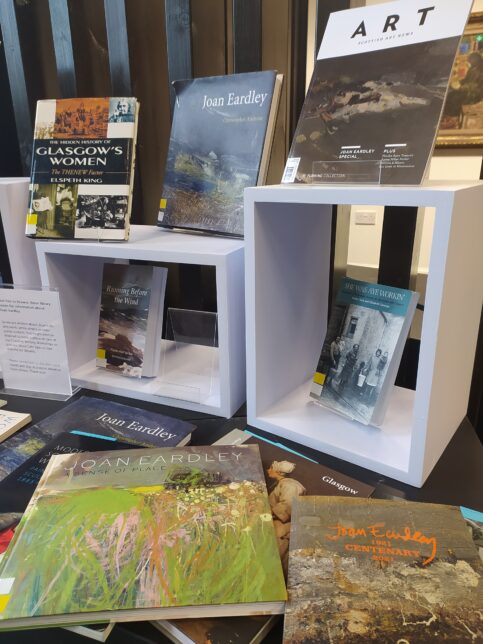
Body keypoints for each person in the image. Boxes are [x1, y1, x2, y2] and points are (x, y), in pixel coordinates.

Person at [267, 460, 306, 574]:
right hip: (277, 526)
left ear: (278, 471)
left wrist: (266, 514)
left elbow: (288, 504)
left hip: (281, 527)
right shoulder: (283, 484)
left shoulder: (289, 484)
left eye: (271, 468)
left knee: (277, 561)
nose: (268, 470)